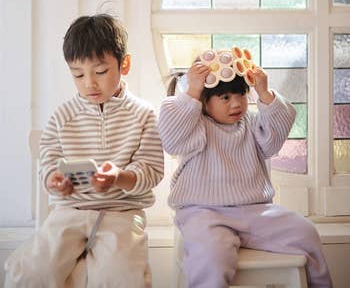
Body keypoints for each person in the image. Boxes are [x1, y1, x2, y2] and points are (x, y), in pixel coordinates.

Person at [5, 14, 164, 288]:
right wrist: (55, 180)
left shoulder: (143, 115)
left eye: (100, 72)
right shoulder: (62, 116)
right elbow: (49, 161)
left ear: (124, 65)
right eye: (77, 74)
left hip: (121, 214)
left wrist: (119, 176)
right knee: (28, 274)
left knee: (123, 279)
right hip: (69, 210)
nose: (89, 83)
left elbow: (151, 169)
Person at [158, 51, 332, 288]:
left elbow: (273, 140)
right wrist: (192, 93)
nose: (237, 103)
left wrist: (264, 93)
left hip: (256, 212)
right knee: (211, 257)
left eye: (241, 94)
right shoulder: (195, 124)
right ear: (204, 101)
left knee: (306, 233)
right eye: (225, 97)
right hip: (204, 213)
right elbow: (171, 140)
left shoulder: (250, 123)